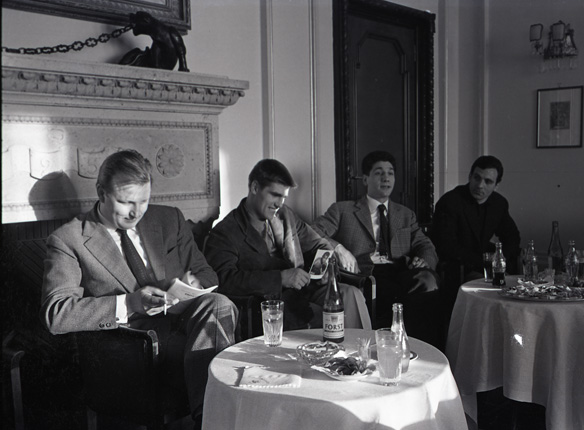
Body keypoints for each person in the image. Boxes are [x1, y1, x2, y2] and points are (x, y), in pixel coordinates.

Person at [40, 149, 237, 429]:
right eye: (126, 202)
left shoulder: (168, 219)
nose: (136, 212)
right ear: (101, 193)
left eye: (143, 201)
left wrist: (191, 286)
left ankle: (211, 420)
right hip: (130, 345)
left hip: (184, 325)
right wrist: (130, 303)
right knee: (222, 352)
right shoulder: (68, 239)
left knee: (219, 303)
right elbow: (56, 313)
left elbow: (207, 274)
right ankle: (217, 419)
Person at [204, 159, 371, 331]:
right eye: (275, 195)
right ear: (255, 188)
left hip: (306, 291)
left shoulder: (285, 215)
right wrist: (281, 278)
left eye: (283, 197)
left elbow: (320, 245)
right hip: (268, 305)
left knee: (351, 294)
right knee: (323, 316)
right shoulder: (226, 231)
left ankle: (362, 347)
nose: (279, 203)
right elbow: (223, 279)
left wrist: (322, 267)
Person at [311, 151, 441, 347]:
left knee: (428, 280)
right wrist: (339, 248)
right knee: (389, 293)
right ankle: (381, 347)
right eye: (379, 173)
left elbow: (425, 245)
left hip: (400, 271)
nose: (386, 178)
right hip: (365, 274)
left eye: (390, 173)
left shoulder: (405, 214)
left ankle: (419, 348)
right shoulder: (342, 210)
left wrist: (424, 261)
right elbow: (313, 231)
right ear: (365, 179)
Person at [432, 155, 521, 281]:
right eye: (476, 178)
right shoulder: (450, 202)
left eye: (488, 181)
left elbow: (512, 237)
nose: (480, 185)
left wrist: (501, 259)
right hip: (458, 268)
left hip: (486, 264)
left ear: (496, 185)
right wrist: (486, 263)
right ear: (470, 176)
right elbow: (447, 246)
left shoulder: (499, 203)